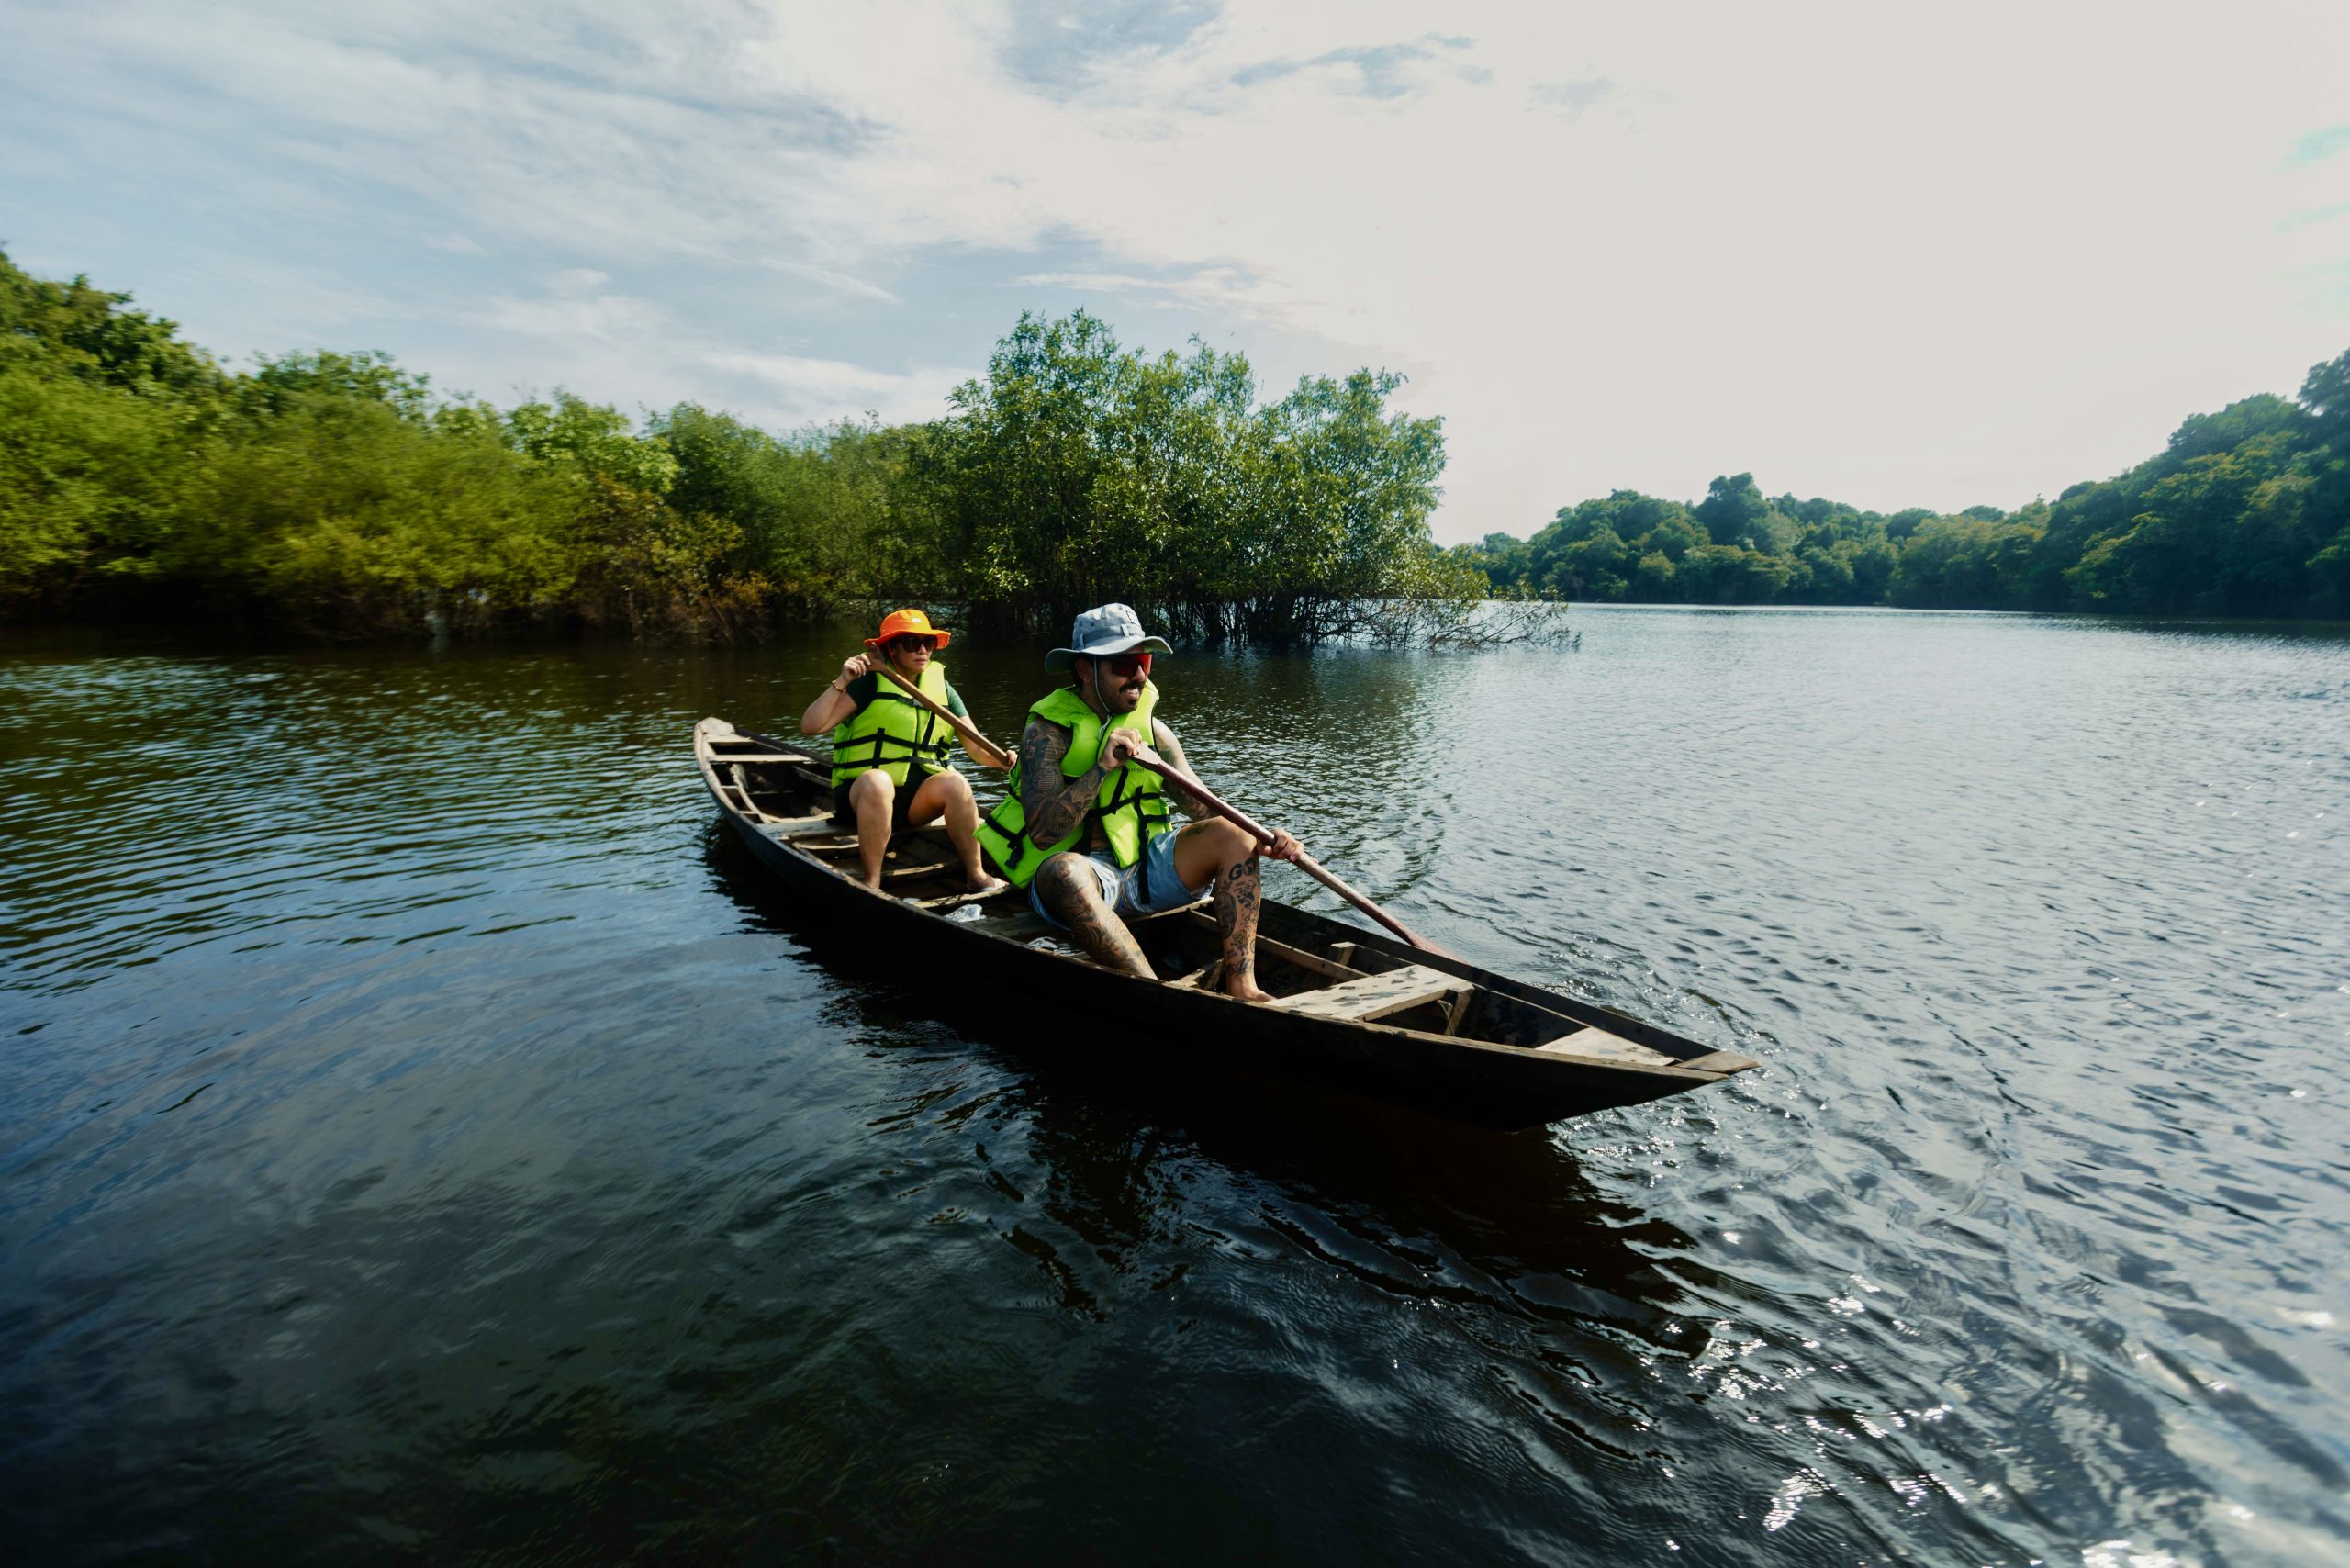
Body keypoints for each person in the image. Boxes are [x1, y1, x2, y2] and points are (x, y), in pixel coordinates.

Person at [976, 603, 1301, 1003]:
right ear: (1084, 669)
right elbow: (1044, 835)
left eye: (1143, 661)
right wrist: (1100, 769)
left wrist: (1265, 837)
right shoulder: (1045, 732)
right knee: (1063, 871)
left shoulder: (1155, 732)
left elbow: (1205, 809)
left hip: (1145, 869)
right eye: (1124, 664)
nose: (1139, 675)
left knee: (1233, 834)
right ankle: (1154, 994)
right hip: (1082, 880)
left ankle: (1243, 986)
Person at [801, 609, 1007, 893]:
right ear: (892, 649)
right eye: (911, 643)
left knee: (956, 783)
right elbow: (811, 726)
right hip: (862, 798)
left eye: (928, 643)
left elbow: (976, 748)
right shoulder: (868, 683)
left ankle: (976, 875)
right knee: (878, 781)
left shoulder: (944, 691)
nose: (922, 650)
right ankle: (872, 881)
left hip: (913, 804)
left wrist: (1005, 761)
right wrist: (842, 681)